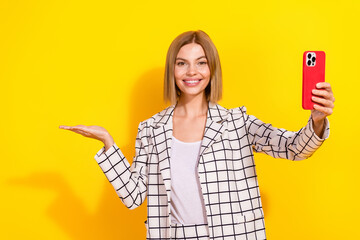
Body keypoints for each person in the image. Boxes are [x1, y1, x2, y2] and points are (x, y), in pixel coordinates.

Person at [59, 30, 334, 240]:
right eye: (182, 63)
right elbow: (133, 196)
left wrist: (317, 120)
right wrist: (108, 142)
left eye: (201, 62)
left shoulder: (236, 122)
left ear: (211, 69)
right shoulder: (151, 130)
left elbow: (294, 148)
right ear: (172, 70)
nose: (192, 71)